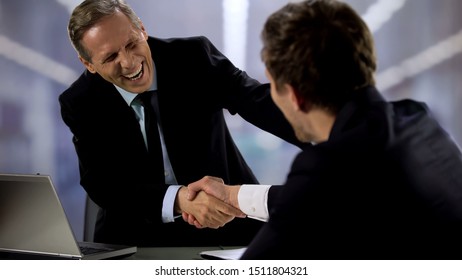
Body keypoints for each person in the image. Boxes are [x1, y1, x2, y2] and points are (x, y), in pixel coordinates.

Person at [186, 0, 462, 259]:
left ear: (294, 96)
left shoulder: (326, 167)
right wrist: (233, 196)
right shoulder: (417, 120)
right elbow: (325, 197)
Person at [58, 0, 302, 247]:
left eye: (132, 44)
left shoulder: (193, 57)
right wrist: (179, 199)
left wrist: (329, 136)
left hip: (228, 221)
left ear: (142, 29)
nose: (129, 62)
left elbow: (258, 102)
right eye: (111, 57)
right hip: (135, 234)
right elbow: (103, 183)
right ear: (88, 64)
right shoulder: (80, 102)